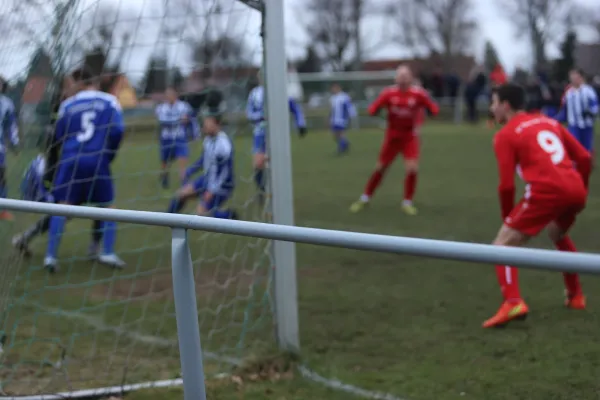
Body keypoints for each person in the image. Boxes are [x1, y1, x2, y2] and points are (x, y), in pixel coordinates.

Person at [483, 83, 591, 329]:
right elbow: (584, 158)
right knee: (558, 233)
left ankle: (513, 302)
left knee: (501, 246)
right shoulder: (549, 121)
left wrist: (508, 218)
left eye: (494, 102)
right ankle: (576, 295)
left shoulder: (506, 135)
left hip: (547, 192)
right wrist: (581, 189)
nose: (492, 108)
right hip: (574, 189)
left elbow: (506, 187)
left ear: (506, 105)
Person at [44, 67, 125, 273]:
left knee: (61, 208)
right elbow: (117, 130)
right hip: (97, 159)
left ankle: (51, 256)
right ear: (95, 82)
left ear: (79, 83)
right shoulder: (109, 101)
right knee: (107, 206)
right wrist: (109, 153)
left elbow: (58, 136)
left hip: (70, 160)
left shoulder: (67, 105)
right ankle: (107, 252)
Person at [349, 65, 439, 216]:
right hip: (392, 138)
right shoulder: (388, 93)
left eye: (406, 75)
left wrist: (430, 111)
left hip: (410, 137)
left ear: (410, 78)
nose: (403, 78)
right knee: (380, 168)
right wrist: (376, 111)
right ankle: (365, 197)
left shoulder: (418, 94)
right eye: (400, 76)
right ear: (395, 78)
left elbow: (434, 109)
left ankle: (407, 202)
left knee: (412, 169)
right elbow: (372, 109)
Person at [246, 73, 307, 202]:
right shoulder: (254, 94)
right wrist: (262, 116)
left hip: (277, 133)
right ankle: (262, 191)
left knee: (278, 164)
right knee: (258, 164)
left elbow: (295, 108)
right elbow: (249, 113)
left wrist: (300, 124)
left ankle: (279, 192)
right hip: (260, 133)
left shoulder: (280, 91)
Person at [166, 114, 237, 219]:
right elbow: (203, 160)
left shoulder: (224, 144)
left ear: (217, 125)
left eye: (208, 124)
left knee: (201, 215)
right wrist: (189, 171)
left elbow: (225, 172)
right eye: (205, 124)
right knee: (181, 194)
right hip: (207, 179)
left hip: (222, 185)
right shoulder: (208, 140)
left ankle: (229, 215)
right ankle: (168, 218)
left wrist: (212, 190)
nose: (205, 126)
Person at [155, 87, 195, 189]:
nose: (169, 97)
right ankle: (165, 176)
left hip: (179, 137)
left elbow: (188, 118)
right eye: (167, 95)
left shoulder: (183, 106)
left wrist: (186, 121)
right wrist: (178, 120)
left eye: (170, 94)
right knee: (165, 161)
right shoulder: (161, 108)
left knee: (182, 158)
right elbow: (163, 121)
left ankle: (183, 180)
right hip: (166, 138)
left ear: (175, 95)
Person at [554, 68, 598, 152]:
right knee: (575, 148)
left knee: (586, 148)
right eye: (571, 77)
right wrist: (556, 119)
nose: (573, 79)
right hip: (573, 125)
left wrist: (590, 112)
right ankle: (575, 164)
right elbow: (564, 110)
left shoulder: (589, 91)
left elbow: (595, 106)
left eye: (575, 77)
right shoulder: (568, 93)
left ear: (581, 78)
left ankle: (587, 163)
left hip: (587, 125)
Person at [0, 77, 20, 220]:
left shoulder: (7, 104)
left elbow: (11, 126)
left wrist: (14, 143)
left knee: (1, 177)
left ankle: (3, 209)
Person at [329, 83, 356, 154]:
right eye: (332, 88)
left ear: (338, 88)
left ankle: (341, 149)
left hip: (342, 119)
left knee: (341, 133)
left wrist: (352, 115)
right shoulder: (333, 98)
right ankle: (345, 143)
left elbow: (349, 106)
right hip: (335, 119)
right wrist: (330, 118)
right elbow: (332, 110)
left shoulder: (344, 97)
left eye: (334, 88)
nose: (333, 90)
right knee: (335, 135)